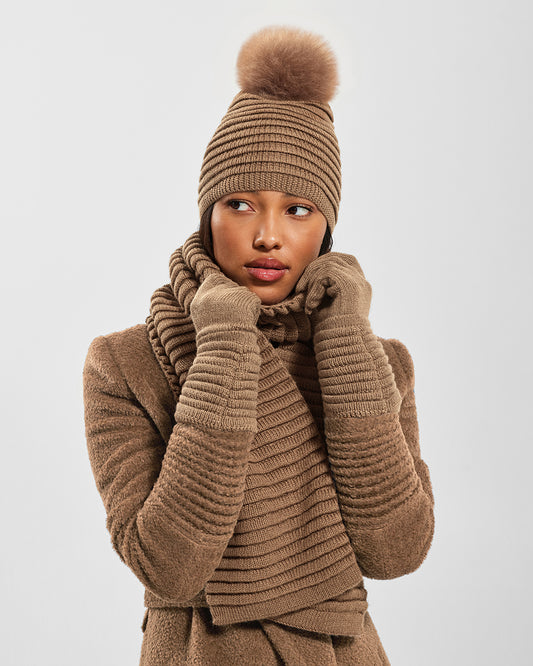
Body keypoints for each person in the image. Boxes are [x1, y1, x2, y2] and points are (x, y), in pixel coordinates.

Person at [82, 25, 435, 666]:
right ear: (207, 215)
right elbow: (169, 566)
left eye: (298, 208)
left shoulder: (378, 362)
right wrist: (221, 346)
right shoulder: (125, 364)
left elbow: (396, 550)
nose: (268, 235)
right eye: (241, 203)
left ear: (327, 227)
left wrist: (348, 344)